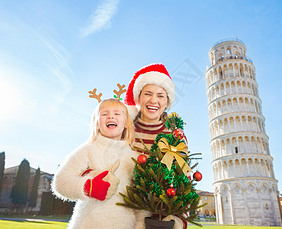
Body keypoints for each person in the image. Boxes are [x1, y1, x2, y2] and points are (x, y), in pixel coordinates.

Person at [52, 98, 137, 229]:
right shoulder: (88, 149)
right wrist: (88, 187)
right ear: (96, 123)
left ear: (126, 122)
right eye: (104, 114)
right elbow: (60, 181)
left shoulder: (133, 156)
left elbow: (141, 199)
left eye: (117, 113)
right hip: (89, 224)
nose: (110, 116)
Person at [125, 63, 187, 229]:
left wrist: (178, 219)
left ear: (167, 102)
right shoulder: (123, 129)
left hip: (161, 216)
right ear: (138, 97)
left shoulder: (175, 136)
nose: (154, 100)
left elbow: (183, 181)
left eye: (161, 96)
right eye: (148, 94)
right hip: (122, 212)